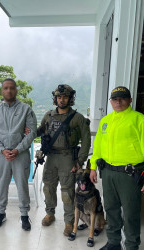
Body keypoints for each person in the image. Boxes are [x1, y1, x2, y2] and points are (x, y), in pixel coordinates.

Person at [89, 86, 144, 250]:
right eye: (115, 99)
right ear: (111, 102)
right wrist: (93, 167)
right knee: (111, 209)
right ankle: (114, 242)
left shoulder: (140, 120)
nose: (118, 101)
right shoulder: (106, 121)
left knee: (130, 213)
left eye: (122, 98)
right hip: (107, 173)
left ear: (130, 100)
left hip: (130, 175)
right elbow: (98, 147)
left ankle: (131, 245)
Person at [37, 84, 91, 237]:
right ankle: (50, 213)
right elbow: (40, 130)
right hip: (51, 157)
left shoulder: (77, 118)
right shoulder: (49, 115)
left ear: (70, 98)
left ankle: (69, 221)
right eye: (59, 97)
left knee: (67, 191)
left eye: (65, 97)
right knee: (48, 187)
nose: (62, 100)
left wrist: (79, 161)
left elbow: (86, 141)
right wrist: (27, 132)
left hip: (68, 157)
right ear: (55, 98)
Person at [0, 78, 37, 231]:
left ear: (16, 90)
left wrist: (17, 149)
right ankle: (1, 213)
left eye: (12, 88)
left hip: (20, 155)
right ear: (2, 91)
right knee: (1, 184)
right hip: (2, 155)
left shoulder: (26, 109)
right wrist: (2, 149)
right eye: (6, 88)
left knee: (22, 184)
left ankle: (24, 215)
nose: (9, 91)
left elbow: (32, 132)